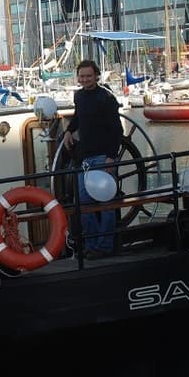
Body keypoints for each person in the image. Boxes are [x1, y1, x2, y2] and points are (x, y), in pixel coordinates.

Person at [63, 59, 123, 259]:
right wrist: (69, 131)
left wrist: (111, 158)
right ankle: (92, 245)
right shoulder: (79, 96)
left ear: (96, 76)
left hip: (103, 158)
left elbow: (117, 130)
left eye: (88, 76)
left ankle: (104, 247)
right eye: (82, 76)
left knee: (106, 205)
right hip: (85, 161)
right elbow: (79, 117)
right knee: (84, 205)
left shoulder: (106, 98)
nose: (85, 79)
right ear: (78, 77)